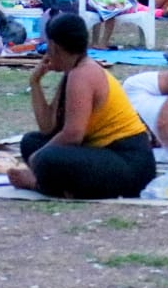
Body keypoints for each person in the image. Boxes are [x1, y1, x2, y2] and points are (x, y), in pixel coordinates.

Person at [8, 14, 155, 199]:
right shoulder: (73, 72)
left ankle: (38, 184)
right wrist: (35, 82)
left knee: (45, 158)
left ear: (54, 47)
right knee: (31, 142)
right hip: (104, 152)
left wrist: (37, 158)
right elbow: (47, 128)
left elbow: (73, 135)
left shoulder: (82, 75)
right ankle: (60, 184)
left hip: (130, 162)